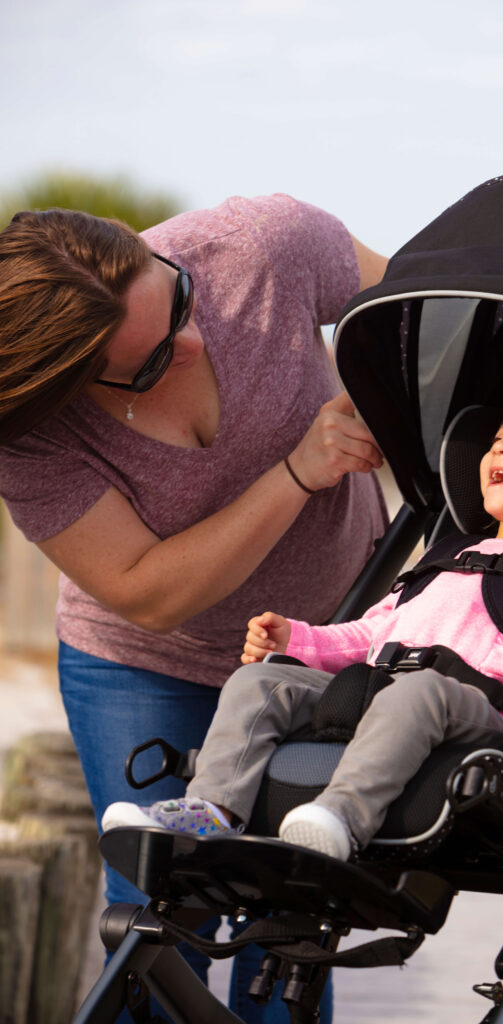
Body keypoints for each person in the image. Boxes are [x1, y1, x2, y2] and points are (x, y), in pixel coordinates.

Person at [0, 195, 389, 1022]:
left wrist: (399, 403)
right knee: (163, 914)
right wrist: (295, 472)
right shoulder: (29, 435)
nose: (194, 343)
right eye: (147, 364)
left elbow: (423, 319)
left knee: (292, 912)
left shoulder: (263, 245)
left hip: (318, 650)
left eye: (176, 301)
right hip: (148, 667)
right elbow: (147, 590)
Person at [103, 380, 503, 862]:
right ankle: (211, 810)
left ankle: (339, 816)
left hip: (477, 709)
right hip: (379, 687)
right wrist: (296, 639)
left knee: (421, 693)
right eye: (499, 439)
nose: (502, 450)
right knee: (259, 681)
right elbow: (370, 634)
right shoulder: (445, 555)